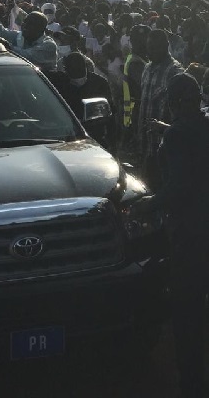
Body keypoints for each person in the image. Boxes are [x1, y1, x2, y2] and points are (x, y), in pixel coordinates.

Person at [135, 73, 209, 398]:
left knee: (187, 312)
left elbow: (179, 187)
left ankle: (191, 382)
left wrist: (150, 204)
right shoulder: (202, 121)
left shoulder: (178, 136)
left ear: (174, 102)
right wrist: (168, 129)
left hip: (190, 233)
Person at [137, 29, 184, 190]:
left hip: (165, 148)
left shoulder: (175, 72)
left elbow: (180, 115)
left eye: (155, 47)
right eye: (149, 47)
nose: (151, 51)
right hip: (147, 146)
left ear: (166, 46)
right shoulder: (148, 68)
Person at [0, 3, 58, 73]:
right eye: (25, 22)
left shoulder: (49, 45)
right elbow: (0, 32)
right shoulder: (20, 36)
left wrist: (7, 45)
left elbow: (27, 56)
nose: (25, 26)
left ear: (41, 28)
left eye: (31, 24)